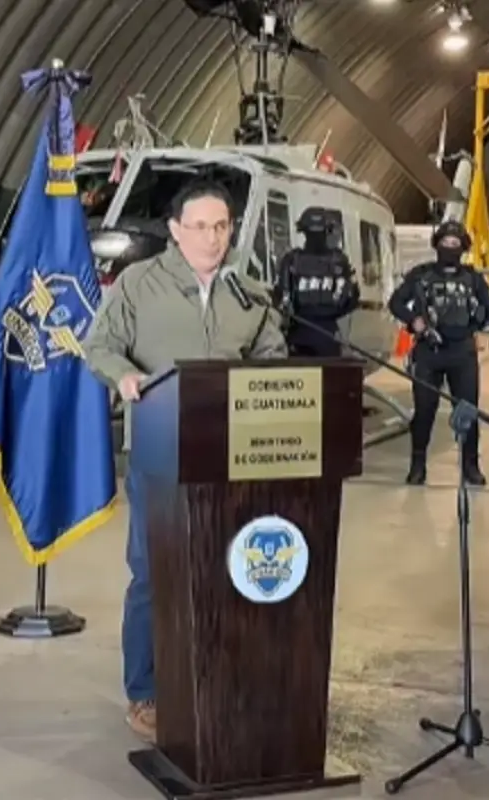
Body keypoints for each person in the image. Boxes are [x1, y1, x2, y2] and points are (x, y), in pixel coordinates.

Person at [82, 180, 288, 744]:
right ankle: (145, 691)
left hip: (232, 455)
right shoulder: (138, 284)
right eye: (201, 226)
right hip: (158, 452)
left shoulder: (248, 292)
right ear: (175, 230)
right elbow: (98, 344)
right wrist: (123, 376)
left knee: (225, 570)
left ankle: (218, 676)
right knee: (154, 572)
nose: (213, 237)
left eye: (222, 226)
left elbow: (272, 357)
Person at [387, 220, 489, 487]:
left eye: (455, 244)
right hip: (429, 352)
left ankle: (470, 466)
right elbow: (395, 302)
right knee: (424, 411)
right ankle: (417, 466)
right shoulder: (421, 275)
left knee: (468, 411)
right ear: (436, 244)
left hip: (462, 354)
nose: (449, 248)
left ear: (463, 248)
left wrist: (474, 325)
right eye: (445, 243)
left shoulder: (473, 278)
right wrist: (414, 321)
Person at [270, 207, 360, 357]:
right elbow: (351, 298)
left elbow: (280, 299)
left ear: (303, 231)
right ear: (328, 231)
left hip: (299, 334)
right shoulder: (339, 260)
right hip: (328, 334)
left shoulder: (291, 260)